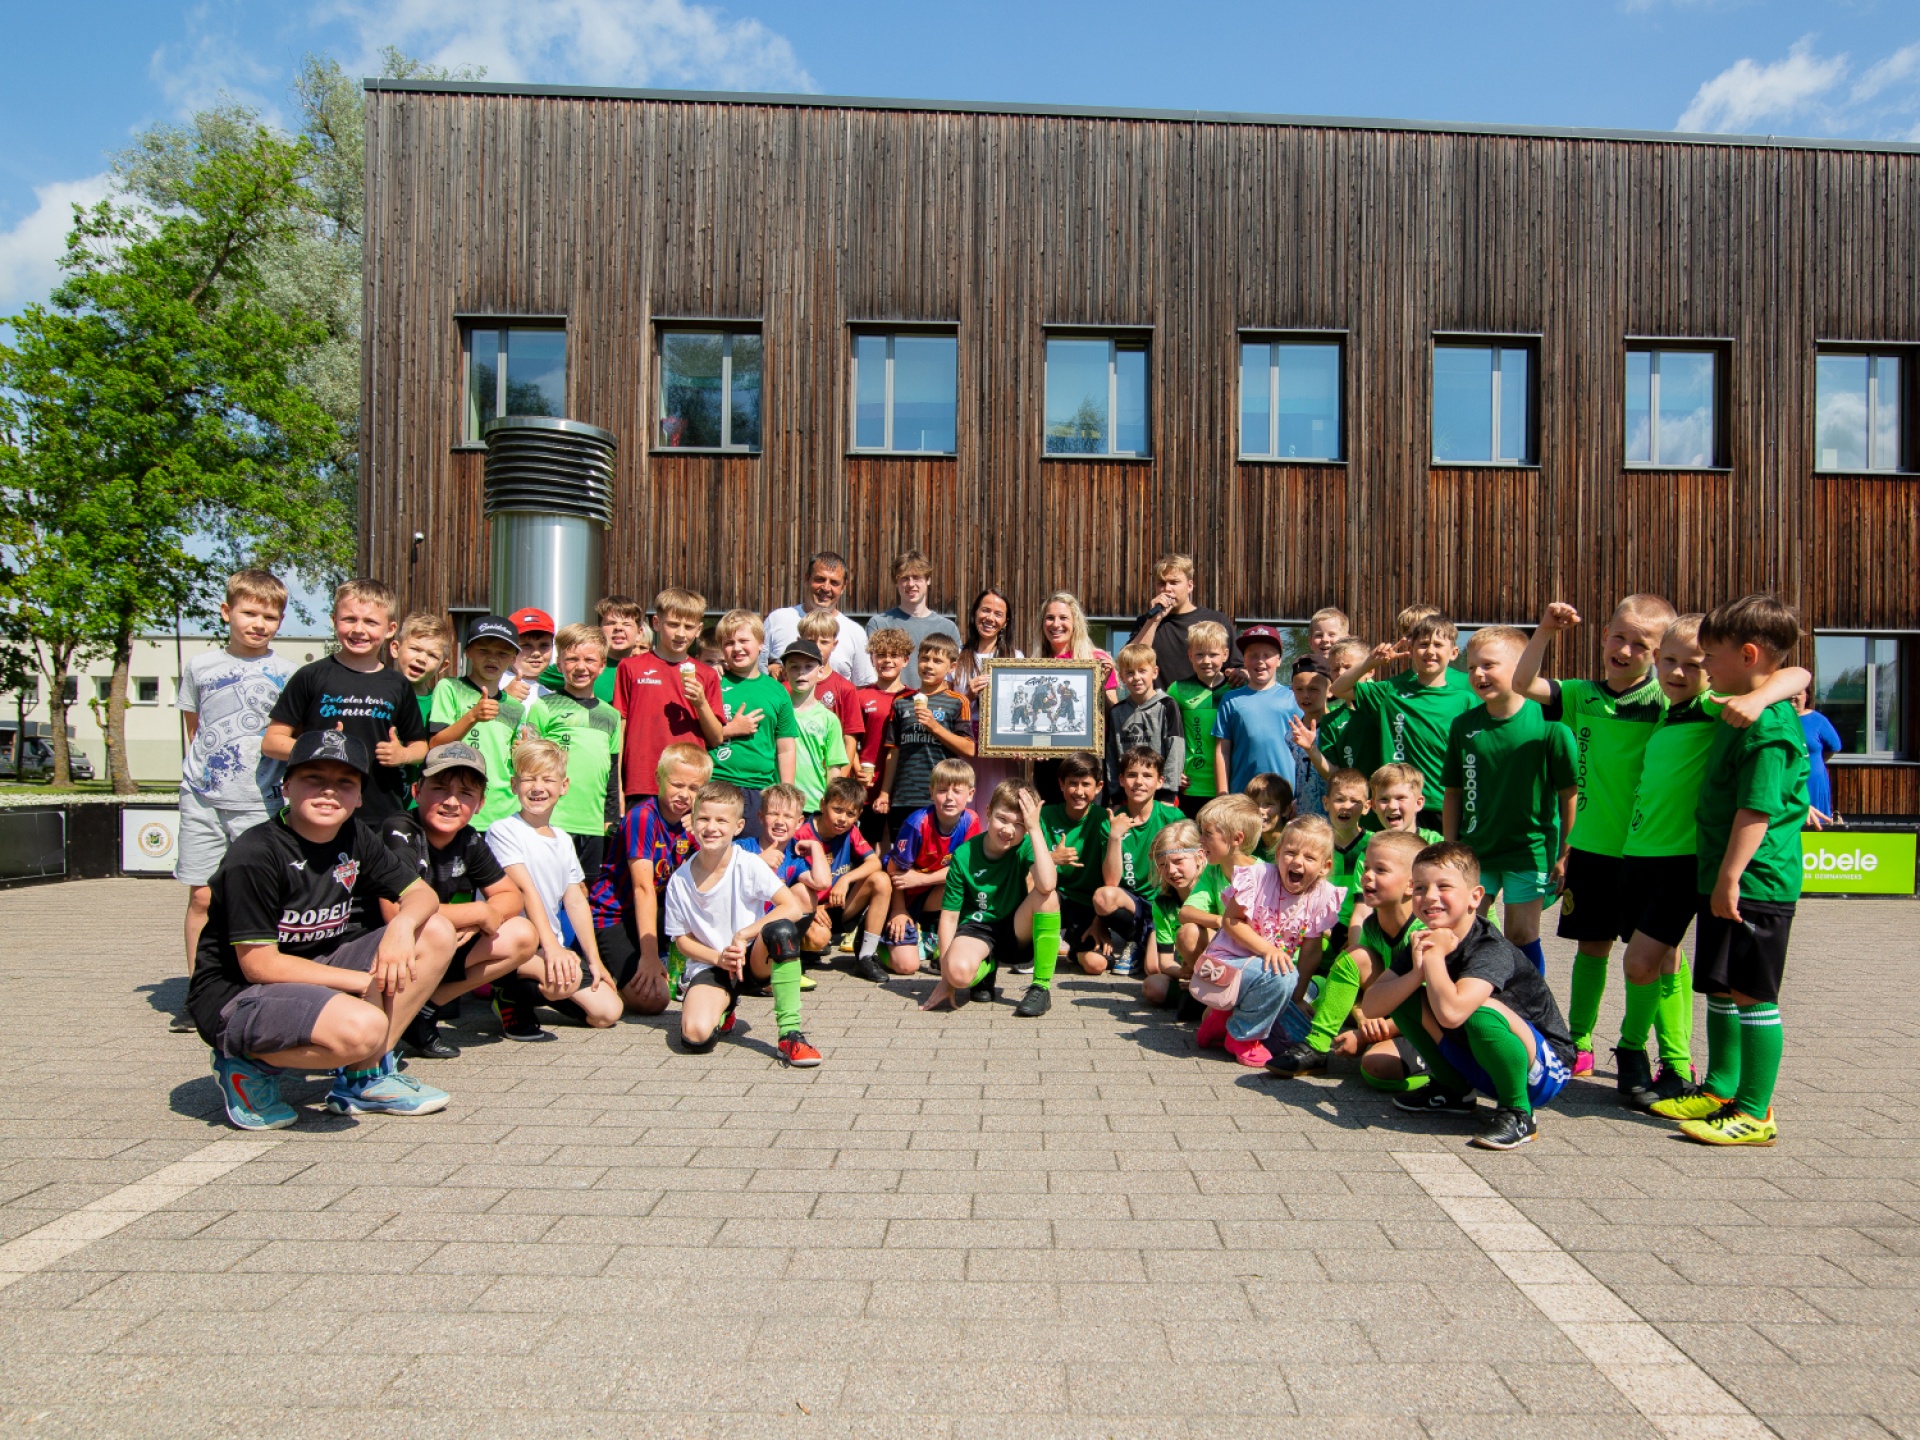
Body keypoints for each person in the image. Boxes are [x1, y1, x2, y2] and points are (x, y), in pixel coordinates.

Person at [187, 729, 456, 1129]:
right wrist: (363, 982)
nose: (329, 791)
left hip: (314, 967)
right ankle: (245, 1062)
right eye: (314, 778)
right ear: (286, 786)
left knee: (436, 931)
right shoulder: (255, 854)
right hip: (240, 993)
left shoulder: (354, 834)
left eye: (344, 782)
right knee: (364, 1028)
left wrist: (401, 926)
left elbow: (421, 894)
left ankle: (364, 1080)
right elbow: (260, 965)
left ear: (359, 797)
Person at [1613, 614, 1810, 1110]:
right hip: (1714, 872)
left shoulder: (1757, 719)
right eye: (1673, 660)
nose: (1698, 670)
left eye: (1708, 659)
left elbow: (1757, 808)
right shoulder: (1727, 703)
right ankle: (1719, 1092)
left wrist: (1730, 876)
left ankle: (1752, 1111)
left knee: (1753, 996)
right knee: (1722, 989)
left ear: (1745, 657)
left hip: (1752, 879)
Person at [1512, 594, 1676, 1074]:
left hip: (1653, 850)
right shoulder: (1582, 695)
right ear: (1603, 636)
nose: (1624, 650)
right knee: (1592, 946)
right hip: (1592, 849)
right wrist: (1545, 630)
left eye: (1641, 645)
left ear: (1659, 653)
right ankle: (1579, 1041)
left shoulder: (1667, 701)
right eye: (1618, 637)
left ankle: (1673, 1055)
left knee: (1663, 957)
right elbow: (1522, 683)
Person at [1364, 841, 1575, 1151]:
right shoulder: (1425, 939)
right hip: (1481, 1058)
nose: (1430, 896)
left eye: (1443, 887)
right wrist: (1415, 974)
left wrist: (1433, 959)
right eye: (1420, 887)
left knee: (1479, 1011)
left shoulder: (1489, 948)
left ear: (1475, 897)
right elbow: (1372, 1006)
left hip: (1540, 1071)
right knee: (1403, 996)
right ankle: (1454, 1090)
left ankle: (1518, 1112)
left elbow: (1452, 1014)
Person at [173, 569, 295, 1032]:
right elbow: (195, 729)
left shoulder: (288, 674)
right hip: (204, 799)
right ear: (227, 612)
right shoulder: (199, 667)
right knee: (203, 896)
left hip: (260, 802)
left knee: (258, 899)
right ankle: (199, 991)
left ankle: (260, 986)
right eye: (249, 613)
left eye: (270, 616)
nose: (259, 623)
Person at [380, 742, 541, 1059]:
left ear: (480, 803)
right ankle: (381, 1037)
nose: (452, 802)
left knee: (523, 935)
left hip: (431, 942)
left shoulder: (469, 838)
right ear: (416, 791)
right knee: (436, 929)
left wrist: (481, 916)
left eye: (466, 793)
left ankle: (424, 1009)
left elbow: (511, 897)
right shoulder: (399, 830)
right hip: (384, 949)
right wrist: (476, 913)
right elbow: (396, 912)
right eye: (440, 789)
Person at [1439, 626, 1578, 975]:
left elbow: (1569, 794)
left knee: (1521, 934)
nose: (1478, 674)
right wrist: (1450, 845)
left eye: (1488, 665)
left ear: (1520, 669)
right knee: (1465, 930)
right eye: (1472, 667)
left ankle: (1529, 1003)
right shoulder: (1463, 725)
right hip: (1475, 850)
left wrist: (1566, 852)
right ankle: (1470, 1000)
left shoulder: (1551, 723)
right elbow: (1453, 792)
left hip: (1528, 851)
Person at [663, 781, 819, 1066]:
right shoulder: (679, 880)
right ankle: (725, 1006)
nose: (712, 827)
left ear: (738, 827)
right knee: (696, 1037)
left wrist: (744, 934)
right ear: (693, 822)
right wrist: (718, 958)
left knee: (781, 929)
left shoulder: (748, 863)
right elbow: (682, 941)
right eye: (704, 819)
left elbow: (792, 907)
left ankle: (790, 1034)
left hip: (752, 958)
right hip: (712, 964)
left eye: (722, 820)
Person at [1265, 829, 1430, 1087]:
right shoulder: (1373, 926)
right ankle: (1317, 1046)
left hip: (1431, 1026)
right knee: (1355, 956)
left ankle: (1446, 1077)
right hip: (1395, 1010)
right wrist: (1365, 1019)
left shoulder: (1425, 932)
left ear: (1412, 884)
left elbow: (1431, 1007)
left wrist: (1368, 1035)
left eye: (1381, 870)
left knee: (1375, 1068)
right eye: (1367, 867)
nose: (1367, 876)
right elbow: (1368, 984)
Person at [484, 739, 624, 1035]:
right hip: (512, 944)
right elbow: (526, 890)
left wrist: (594, 961)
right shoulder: (502, 830)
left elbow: (575, 901)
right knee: (561, 980)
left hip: (550, 944)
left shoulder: (562, 839)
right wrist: (551, 948)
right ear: (514, 785)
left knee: (607, 1012)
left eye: (548, 779)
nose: (538, 787)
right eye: (529, 779)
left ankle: (543, 987)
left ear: (564, 786)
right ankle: (508, 995)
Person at [264, 577, 430, 824]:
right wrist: (319, 748)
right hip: (319, 808)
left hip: (381, 811)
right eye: (349, 619)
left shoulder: (398, 684)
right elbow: (271, 742)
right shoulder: (310, 676)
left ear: (390, 629)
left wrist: (403, 755)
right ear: (334, 621)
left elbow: (420, 747)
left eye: (371, 622)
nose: (359, 629)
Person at [1190, 813, 1339, 1067]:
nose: (1297, 861)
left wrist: (1297, 997)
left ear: (1325, 867)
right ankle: (1242, 1036)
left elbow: (1311, 951)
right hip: (1227, 965)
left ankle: (1221, 1022)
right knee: (1283, 974)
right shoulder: (1258, 877)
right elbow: (1230, 920)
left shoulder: (1321, 895)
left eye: (1309, 857)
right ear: (1278, 853)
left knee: (1299, 1037)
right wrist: (1268, 949)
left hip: (1267, 973)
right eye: (1290, 853)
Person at [923, 782, 1061, 1015]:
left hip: (1015, 929)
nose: (1008, 830)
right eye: (1002, 819)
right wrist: (947, 980)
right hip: (978, 928)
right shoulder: (964, 855)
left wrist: (1035, 830)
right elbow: (949, 917)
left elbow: (1047, 884)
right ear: (988, 811)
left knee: (1048, 897)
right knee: (957, 974)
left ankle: (1041, 987)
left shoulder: (1027, 845)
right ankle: (986, 967)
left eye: (1019, 824)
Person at [1330, 612, 1477, 831]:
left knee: (1443, 853)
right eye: (1423, 644)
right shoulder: (1391, 692)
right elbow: (1338, 688)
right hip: (1399, 804)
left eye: (1438, 645)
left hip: (1444, 802)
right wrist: (1369, 663)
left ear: (1454, 652)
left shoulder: (1465, 699)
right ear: (1411, 650)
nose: (1430, 651)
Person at [595, 742, 710, 1017]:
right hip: (614, 916)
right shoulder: (643, 817)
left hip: (653, 912)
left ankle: (702, 970)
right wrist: (648, 957)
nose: (684, 795)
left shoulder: (691, 823)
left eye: (694, 789)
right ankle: (605, 963)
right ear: (659, 779)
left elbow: (712, 877)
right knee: (654, 1001)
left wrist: (702, 834)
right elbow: (643, 888)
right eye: (677, 784)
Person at [527, 623, 625, 876]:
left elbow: (612, 772)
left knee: (585, 890)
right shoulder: (543, 707)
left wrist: (611, 817)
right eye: (572, 659)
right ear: (559, 665)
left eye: (589, 660)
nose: (581, 667)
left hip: (593, 824)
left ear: (602, 665)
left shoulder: (611, 715)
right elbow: (529, 766)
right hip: (553, 820)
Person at [612, 587, 724, 805]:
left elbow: (716, 738)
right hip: (641, 782)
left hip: (689, 787)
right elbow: (620, 729)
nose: (681, 633)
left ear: (699, 629)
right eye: (673, 624)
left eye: (688, 627)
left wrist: (700, 703)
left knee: (683, 832)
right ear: (656, 623)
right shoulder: (630, 667)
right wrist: (618, 787)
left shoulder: (707, 675)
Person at [427, 614, 530, 830]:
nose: (493, 659)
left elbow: (512, 763)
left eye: (502, 653)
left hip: (504, 811)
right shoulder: (449, 688)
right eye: (483, 650)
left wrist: (521, 752)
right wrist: (472, 716)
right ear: (468, 652)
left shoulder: (516, 707)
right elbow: (435, 744)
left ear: (513, 659)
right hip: (458, 806)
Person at [1088, 748, 1185, 978]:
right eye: (1132, 775)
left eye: (1147, 775)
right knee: (1103, 897)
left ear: (1160, 782)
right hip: (1133, 907)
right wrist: (1115, 837)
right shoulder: (1111, 822)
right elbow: (1111, 882)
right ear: (1121, 780)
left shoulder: (1173, 818)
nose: (1139, 782)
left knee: (1154, 969)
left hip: (1164, 905)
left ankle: (1151, 940)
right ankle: (1134, 940)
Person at [883, 760, 981, 975]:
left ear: (971, 794)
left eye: (957, 791)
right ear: (931, 792)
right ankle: (878, 941)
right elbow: (894, 870)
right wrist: (898, 910)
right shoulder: (916, 823)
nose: (949, 797)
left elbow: (963, 870)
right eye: (942, 790)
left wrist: (922, 879)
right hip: (903, 894)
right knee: (906, 967)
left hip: (930, 889)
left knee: (970, 884)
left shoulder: (971, 821)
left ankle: (937, 937)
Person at [708, 609, 799, 839]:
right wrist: (730, 729)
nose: (737, 648)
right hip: (717, 784)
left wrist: (786, 792)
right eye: (729, 643)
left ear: (760, 643)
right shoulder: (713, 682)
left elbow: (786, 748)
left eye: (743, 640)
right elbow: (697, 734)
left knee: (754, 854)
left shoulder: (777, 691)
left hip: (760, 789)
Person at [792, 776, 894, 982]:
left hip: (837, 905)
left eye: (850, 814)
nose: (843, 819)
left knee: (881, 880)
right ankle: (796, 955)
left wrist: (845, 879)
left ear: (859, 814)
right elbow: (789, 881)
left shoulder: (851, 831)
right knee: (819, 939)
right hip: (810, 909)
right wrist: (812, 907)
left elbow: (874, 862)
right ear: (823, 804)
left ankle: (866, 956)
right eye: (837, 810)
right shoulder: (801, 834)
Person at [876, 633, 974, 821]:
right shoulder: (901, 702)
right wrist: (885, 793)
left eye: (937, 661)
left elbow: (968, 748)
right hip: (904, 796)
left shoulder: (957, 702)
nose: (929, 665)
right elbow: (893, 752)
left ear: (951, 667)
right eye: (924, 659)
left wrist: (934, 727)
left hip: (941, 796)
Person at [952, 587, 1027, 816]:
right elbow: (944, 707)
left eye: (998, 614)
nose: (990, 618)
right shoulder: (955, 656)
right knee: (961, 808)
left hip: (1000, 748)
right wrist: (967, 697)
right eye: (985, 610)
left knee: (996, 807)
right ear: (975, 613)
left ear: (1005, 622)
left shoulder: (1015, 657)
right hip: (963, 743)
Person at [1211, 624, 1305, 798]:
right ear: (1244, 661)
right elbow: (1222, 750)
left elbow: (1306, 749)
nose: (1260, 661)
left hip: (1287, 795)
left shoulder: (1294, 697)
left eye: (1267, 655)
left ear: (1279, 660)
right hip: (1242, 795)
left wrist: (1301, 795)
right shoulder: (1231, 700)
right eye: (1253, 655)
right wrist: (1222, 794)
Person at [1141, 820, 1223, 1009]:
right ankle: (1199, 998)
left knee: (1190, 931)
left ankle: (1210, 997)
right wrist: (1184, 973)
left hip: (1223, 965)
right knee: (1152, 986)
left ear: (1199, 857)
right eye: (1163, 865)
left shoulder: (1215, 888)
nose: (1171, 871)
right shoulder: (1162, 903)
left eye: (1178, 861)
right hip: (1192, 971)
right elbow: (1165, 962)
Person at [1039, 751, 1109, 974]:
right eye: (1072, 784)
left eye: (1085, 784)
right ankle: (1033, 946)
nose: (1079, 791)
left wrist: (1100, 922)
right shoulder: (1044, 816)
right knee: (1037, 886)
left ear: (1098, 787)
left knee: (1096, 965)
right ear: (1061, 784)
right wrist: (1052, 859)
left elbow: (1111, 879)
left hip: (1087, 905)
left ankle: (1073, 950)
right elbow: (1025, 867)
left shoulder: (1105, 819)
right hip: (1049, 898)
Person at [761, 550, 876, 685]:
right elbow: (755, 669)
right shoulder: (777, 619)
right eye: (820, 579)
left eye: (834, 583)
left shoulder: (855, 632)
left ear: (843, 588)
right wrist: (770, 668)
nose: (826, 588)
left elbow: (864, 686)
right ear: (807, 579)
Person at [1129, 552, 1241, 686]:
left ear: (1190, 586)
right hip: (1161, 699)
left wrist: (1238, 673)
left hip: (1205, 699)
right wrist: (1153, 622)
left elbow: (1238, 667)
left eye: (1174, 582)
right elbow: (1130, 663)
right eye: (1161, 583)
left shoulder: (1216, 620)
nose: (1167, 589)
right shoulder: (1147, 622)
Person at [867, 549, 963, 688]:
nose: (911, 584)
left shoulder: (948, 628)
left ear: (928, 580)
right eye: (905, 578)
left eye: (917, 577)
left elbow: (955, 676)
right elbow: (870, 672)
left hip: (934, 700)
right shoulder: (879, 623)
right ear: (896, 582)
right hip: (891, 700)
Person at [1105, 642, 1184, 806]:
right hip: (1127, 796)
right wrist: (1116, 795)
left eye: (1142, 671)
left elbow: (1175, 750)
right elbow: (1112, 755)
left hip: (1161, 796)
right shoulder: (1117, 712)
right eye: (1129, 672)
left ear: (1155, 672)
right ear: (1122, 677)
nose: (1136, 677)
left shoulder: (1167, 705)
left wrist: (1168, 794)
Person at [1168, 620, 1232, 819]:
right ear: (1190, 655)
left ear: (1225, 654)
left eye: (1213, 654)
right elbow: (1166, 734)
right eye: (1199, 654)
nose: (1206, 661)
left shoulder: (1237, 688)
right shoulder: (1177, 689)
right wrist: (1173, 771)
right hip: (1191, 786)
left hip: (1230, 784)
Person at [777, 639, 849, 811]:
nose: (801, 672)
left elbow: (833, 768)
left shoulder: (829, 719)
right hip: (779, 803)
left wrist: (829, 804)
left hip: (814, 805)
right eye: (794, 667)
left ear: (821, 672)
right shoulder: (777, 712)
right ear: (785, 672)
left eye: (808, 666)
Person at [855, 628, 911, 841]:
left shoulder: (914, 698)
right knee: (867, 845)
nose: (887, 660)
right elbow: (848, 740)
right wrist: (856, 768)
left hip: (904, 787)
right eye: (881, 655)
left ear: (906, 660)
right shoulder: (860, 696)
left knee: (900, 846)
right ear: (871, 659)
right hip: (868, 783)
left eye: (894, 655)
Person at [795, 609, 866, 771]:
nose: (817, 647)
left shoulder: (845, 688)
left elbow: (850, 740)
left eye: (824, 642)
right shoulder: (787, 687)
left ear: (834, 644)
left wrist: (840, 781)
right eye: (810, 641)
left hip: (831, 774)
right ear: (799, 642)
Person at [1288, 654, 1334, 817]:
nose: (1305, 695)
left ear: (1329, 691)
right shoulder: (1291, 735)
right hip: (1304, 819)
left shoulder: (1337, 728)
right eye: (1299, 689)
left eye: (1313, 689)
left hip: (1334, 819)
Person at [388, 611, 451, 726]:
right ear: (396, 649)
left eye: (432, 655)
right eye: (415, 649)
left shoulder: (439, 706)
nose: (421, 659)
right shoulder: (376, 694)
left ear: (442, 666)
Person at [1794, 687, 1842, 828]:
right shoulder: (1779, 720)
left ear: (1806, 696)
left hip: (1813, 782)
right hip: (1786, 782)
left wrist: (1815, 763)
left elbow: (1834, 746)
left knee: (1816, 824)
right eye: (1790, 693)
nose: (1794, 697)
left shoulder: (1818, 720)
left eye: (1799, 693)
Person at [593, 595, 650, 702]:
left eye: (627, 624)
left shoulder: (651, 671)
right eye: (610, 623)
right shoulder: (586, 668)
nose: (618, 628)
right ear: (598, 630)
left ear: (639, 633)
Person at [507, 607, 555, 703]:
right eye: (526, 646)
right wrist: (503, 698)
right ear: (508, 648)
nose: (536, 653)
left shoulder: (550, 696)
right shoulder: (494, 685)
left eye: (544, 645)